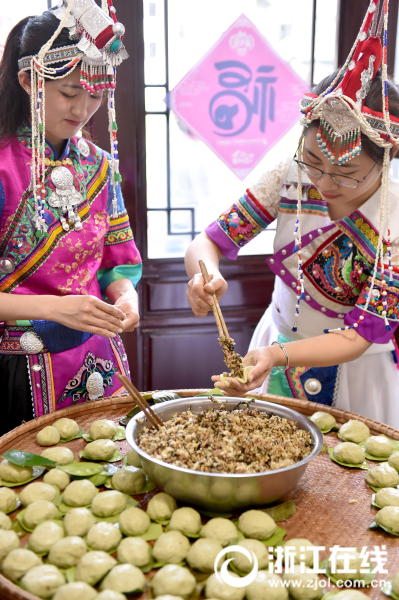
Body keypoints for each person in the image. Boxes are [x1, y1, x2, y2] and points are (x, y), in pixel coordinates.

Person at [185, 0, 399, 428]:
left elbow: (361, 334)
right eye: (314, 161)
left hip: (359, 375)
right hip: (275, 347)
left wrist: (277, 356)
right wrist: (202, 276)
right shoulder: (289, 175)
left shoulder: (393, 219)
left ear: (389, 158)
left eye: (348, 173)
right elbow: (208, 242)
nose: (325, 182)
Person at [0, 1, 142, 434]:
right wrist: (60, 309)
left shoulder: (101, 166)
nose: (82, 110)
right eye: (68, 93)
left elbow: (118, 262)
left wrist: (126, 298)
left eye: (96, 95)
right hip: (18, 371)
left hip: (100, 358)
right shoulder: (4, 167)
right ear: (28, 80)